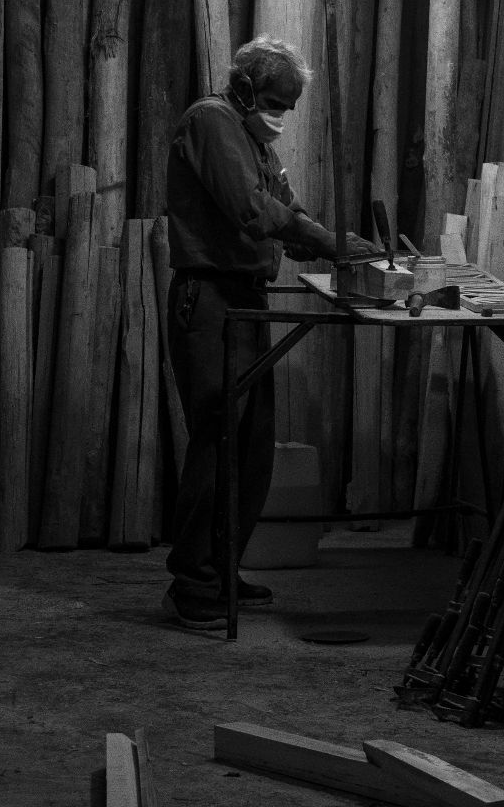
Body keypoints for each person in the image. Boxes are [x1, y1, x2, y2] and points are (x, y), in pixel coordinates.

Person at [160, 36, 375, 629]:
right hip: (210, 298)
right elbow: (251, 208)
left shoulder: (254, 140)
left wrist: (326, 240)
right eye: (276, 102)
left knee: (251, 446)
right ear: (245, 87)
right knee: (218, 439)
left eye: (288, 106)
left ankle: (220, 568)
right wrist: (322, 241)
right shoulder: (210, 121)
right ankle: (192, 583)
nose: (280, 115)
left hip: (243, 298)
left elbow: (285, 205)